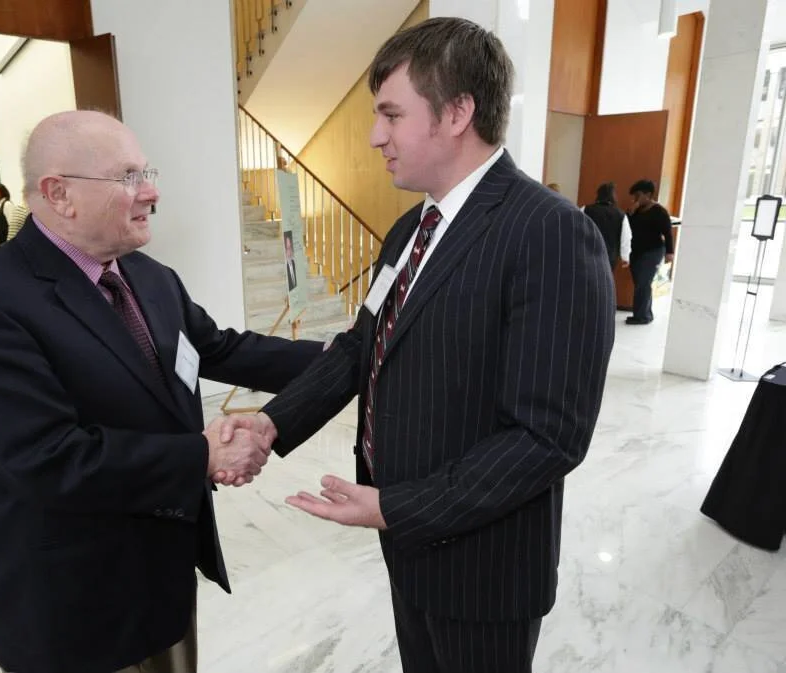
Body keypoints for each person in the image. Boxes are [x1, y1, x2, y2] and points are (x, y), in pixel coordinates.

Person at [219, 18, 615, 673]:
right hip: (406, 543)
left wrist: (394, 507)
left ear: (458, 112)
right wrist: (269, 421)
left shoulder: (550, 235)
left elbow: (547, 437)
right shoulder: (410, 229)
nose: (376, 136)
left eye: (391, 114)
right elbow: (357, 350)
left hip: (482, 565)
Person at [0, 110, 323, 673]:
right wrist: (204, 454)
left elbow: (219, 349)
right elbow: (46, 458)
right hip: (74, 599)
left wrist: (342, 361)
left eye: (147, 172)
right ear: (58, 193)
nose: (151, 191)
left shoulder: (148, 275)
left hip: (162, 571)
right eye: (129, 177)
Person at [624, 179, 674, 325]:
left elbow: (668, 233)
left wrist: (670, 252)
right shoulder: (635, 211)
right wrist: (630, 213)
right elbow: (627, 230)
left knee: (643, 283)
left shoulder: (659, 211)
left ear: (648, 194)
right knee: (641, 283)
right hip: (636, 251)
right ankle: (646, 313)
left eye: (638, 195)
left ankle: (640, 316)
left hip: (653, 251)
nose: (635, 199)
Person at [584, 182, 631, 270]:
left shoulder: (585, 209)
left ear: (598, 195)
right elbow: (625, 237)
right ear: (613, 196)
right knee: (604, 280)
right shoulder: (621, 214)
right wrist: (625, 256)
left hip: (587, 252)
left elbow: (576, 229)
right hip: (609, 256)